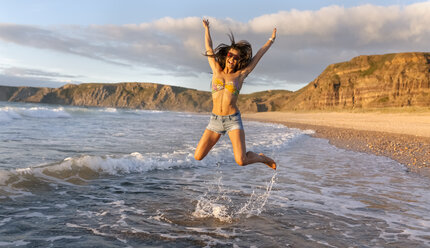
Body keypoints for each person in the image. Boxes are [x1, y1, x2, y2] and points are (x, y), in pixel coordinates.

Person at [194, 19, 277, 170]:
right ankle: (258, 157)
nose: (232, 59)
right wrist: (206, 29)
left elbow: (258, 56)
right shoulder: (216, 70)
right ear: (227, 56)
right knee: (197, 156)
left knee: (241, 160)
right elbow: (209, 48)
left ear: (239, 61)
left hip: (233, 120)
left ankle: (261, 157)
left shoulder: (240, 75)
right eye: (231, 55)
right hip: (215, 120)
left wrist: (270, 40)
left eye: (236, 58)